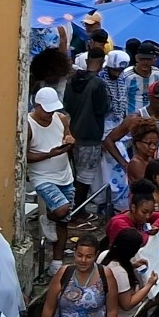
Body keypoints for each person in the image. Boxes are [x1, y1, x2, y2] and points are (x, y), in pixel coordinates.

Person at [37, 234, 118, 317]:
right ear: (74, 253)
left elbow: (112, 310)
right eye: (80, 255)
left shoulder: (105, 275)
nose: (83, 260)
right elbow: (49, 307)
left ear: (96, 255)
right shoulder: (64, 273)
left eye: (88, 257)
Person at [26, 86, 77, 271]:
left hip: (64, 174)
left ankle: (57, 261)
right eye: (46, 110)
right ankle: (47, 217)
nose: (50, 114)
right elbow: (24, 156)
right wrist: (49, 154)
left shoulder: (60, 118)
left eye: (52, 110)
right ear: (37, 106)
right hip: (42, 177)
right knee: (61, 209)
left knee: (64, 220)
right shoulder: (28, 125)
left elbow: (69, 137)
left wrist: (69, 141)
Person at [64, 46, 113, 209]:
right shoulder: (98, 84)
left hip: (72, 133)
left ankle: (71, 209)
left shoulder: (71, 81)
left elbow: (67, 105)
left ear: (86, 60)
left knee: (73, 175)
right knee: (85, 177)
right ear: (102, 63)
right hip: (91, 135)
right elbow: (102, 109)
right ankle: (78, 211)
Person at [100, 227, 159, 317]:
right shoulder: (119, 273)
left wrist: (132, 265)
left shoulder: (105, 256)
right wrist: (149, 285)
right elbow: (127, 304)